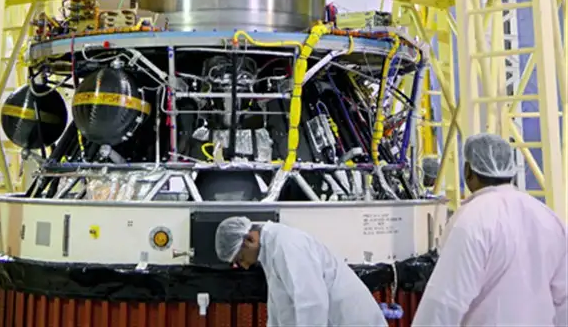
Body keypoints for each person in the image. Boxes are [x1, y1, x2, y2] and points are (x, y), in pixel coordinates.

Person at [413, 133, 567, 327]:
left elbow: (445, 301)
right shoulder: (548, 218)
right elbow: (564, 299)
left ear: (468, 171)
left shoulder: (472, 219)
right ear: (510, 169)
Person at [215, 217, 386, 327]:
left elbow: (312, 304)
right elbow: (281, 310)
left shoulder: (287, 245)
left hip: (351, 321)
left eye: (240, 258)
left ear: (249, 240)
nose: (244, 266)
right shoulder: (270, 252)